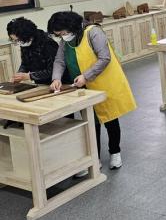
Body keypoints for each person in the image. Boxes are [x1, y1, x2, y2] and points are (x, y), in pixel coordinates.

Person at [48, 11, 136, 170]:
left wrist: (86, 76)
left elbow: (105, 57)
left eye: (63, 33)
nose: (62, 37)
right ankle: (94, 158)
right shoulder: (65, 40)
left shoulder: (93, 32)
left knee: (109, 118)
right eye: (58, 35)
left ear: (71, 26)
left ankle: (115, 152)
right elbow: (59, 60)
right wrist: (56, 78)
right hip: (83, 87)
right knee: (90, 122)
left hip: (103, 82)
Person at [6, 17, 59, 85]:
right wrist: (19, 75)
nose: (18, 43)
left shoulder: (48, 43)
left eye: (18, 40)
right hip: (40, 83)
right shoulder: (24, 42)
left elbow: (53, 70)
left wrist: (29, 76)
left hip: (57, 82)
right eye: (14, 40)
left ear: (27, 35)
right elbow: (25, 63)